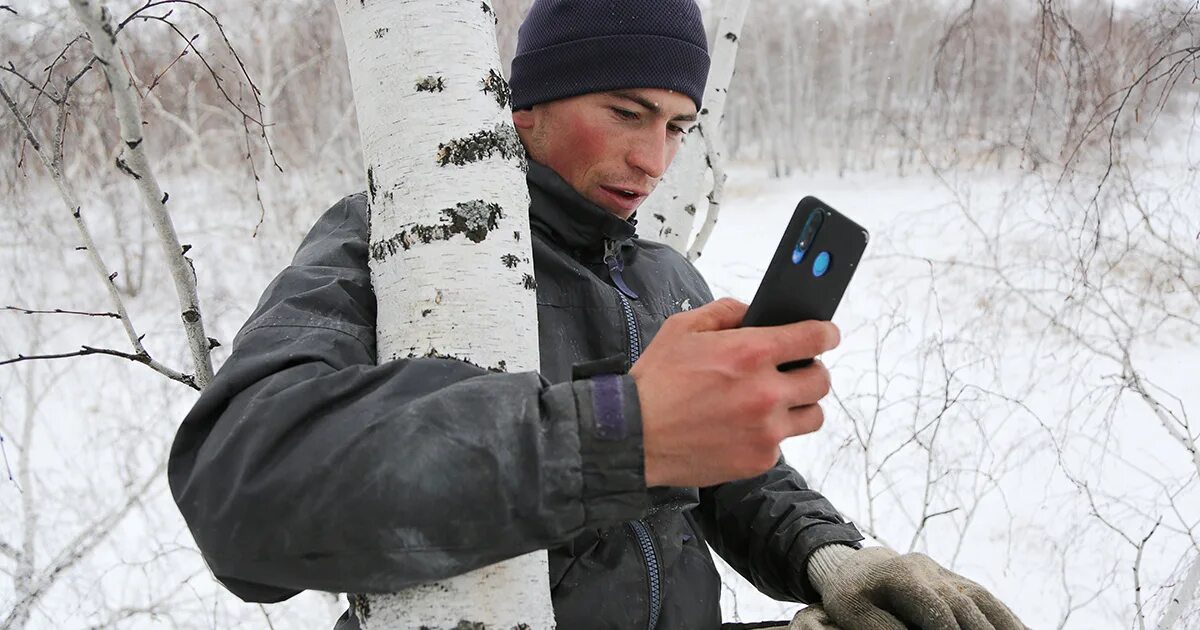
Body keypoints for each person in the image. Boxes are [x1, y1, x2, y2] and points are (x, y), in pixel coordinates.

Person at [168, 1, 1027, 628]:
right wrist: (625, 431)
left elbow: (725, 476)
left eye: (679, 127)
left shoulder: (663, 276)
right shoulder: (400, 239)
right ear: (527, 105)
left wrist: (827, 558)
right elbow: (242, 492)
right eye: (625, 113)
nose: (653, 161)